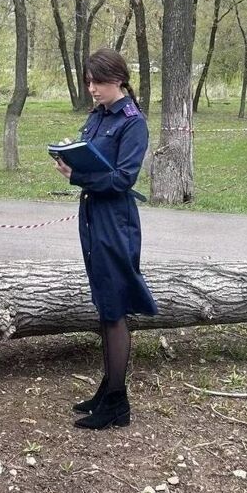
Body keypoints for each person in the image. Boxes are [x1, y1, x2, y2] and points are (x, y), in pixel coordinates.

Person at [53, 48, 158, 430]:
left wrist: (77, 176)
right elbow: (93, 157)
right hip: (94, 215)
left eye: (97, 82)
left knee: (114, 310)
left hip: (116, 220)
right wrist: (69, 159)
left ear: (118, 79)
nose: (91, 88)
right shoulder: (98, 115)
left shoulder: (133, 123)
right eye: (89, 81)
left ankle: (117, 403)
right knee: (104, 303)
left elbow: (121, 180)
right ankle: (107, 389)